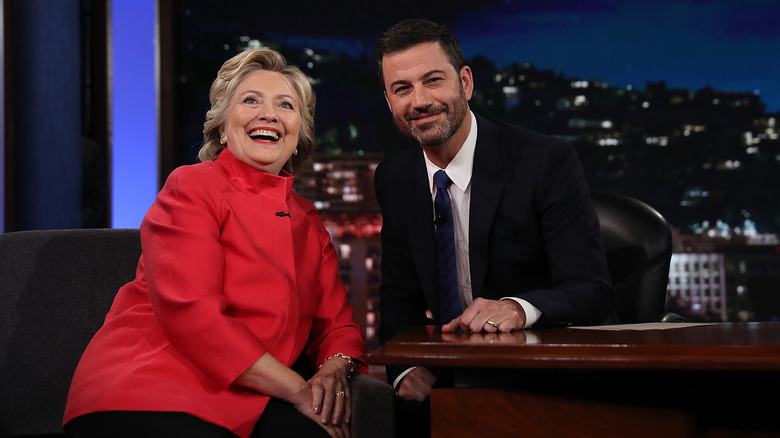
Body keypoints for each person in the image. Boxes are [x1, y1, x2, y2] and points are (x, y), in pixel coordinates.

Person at [63, 48, 367, 438]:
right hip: (153, 388)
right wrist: (300, 391)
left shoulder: (308, 220)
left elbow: (338, 326)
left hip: (257, 398)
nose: (268, 114)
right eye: (250, 100)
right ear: (222, 128)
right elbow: (194, 314)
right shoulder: (192, 187)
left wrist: (334, 368)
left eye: (285, 105)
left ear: (299, 136)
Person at [372, 18, 614, 435]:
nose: (420, 100)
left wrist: (518, 308)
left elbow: (592, 289)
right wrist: (407, 367)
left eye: (433, 80)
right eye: (402, 89)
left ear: (465, 82)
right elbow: (398, 296)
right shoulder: (393, 177)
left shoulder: (544, 161)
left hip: (539, 376)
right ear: (389, 100)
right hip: (447, 382)